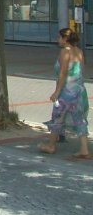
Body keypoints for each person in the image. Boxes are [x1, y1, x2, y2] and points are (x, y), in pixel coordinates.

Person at [38, 28, 90, 159]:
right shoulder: (79, 51)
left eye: (59, 37)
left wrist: (57, 91)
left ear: (65, 39)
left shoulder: (64, 52)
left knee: (58, 118)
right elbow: (81, 71)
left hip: (66, 92)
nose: (58, 40)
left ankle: (51, 145)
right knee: (80, 119)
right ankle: (84, 149)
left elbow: (63, 73)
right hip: (79, 91)